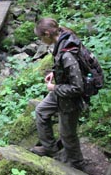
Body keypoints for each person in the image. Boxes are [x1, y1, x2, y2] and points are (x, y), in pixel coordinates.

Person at [30, 18, 89, 172]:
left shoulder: (68, 54)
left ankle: (78, 166)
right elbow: (64, 67)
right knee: (41, 111)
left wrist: (54, 87)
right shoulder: (61, 36)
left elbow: (77, 88)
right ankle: (50, 149)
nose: (41, 41)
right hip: (60, 91)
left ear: (48, 34)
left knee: (67, 135)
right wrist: (53, 73)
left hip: (71, 98)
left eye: (41, 37)